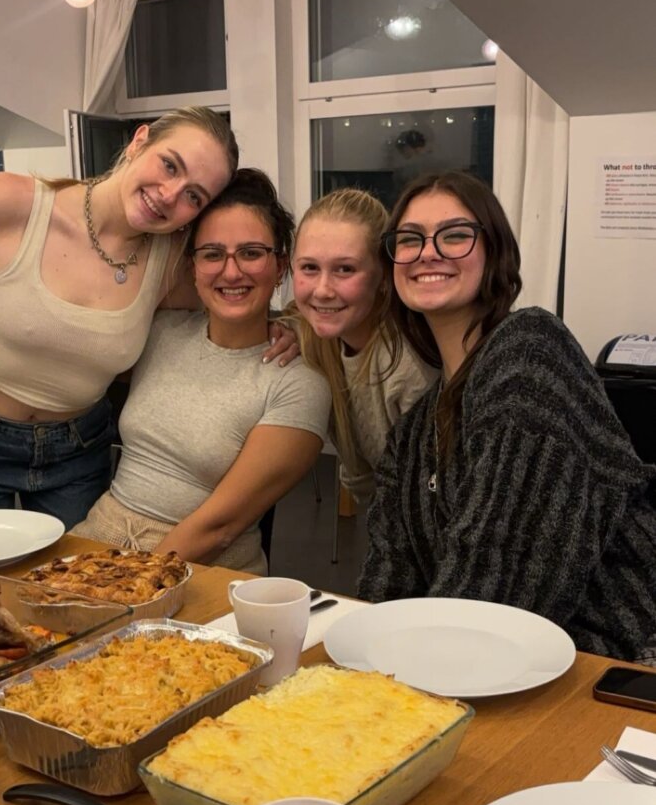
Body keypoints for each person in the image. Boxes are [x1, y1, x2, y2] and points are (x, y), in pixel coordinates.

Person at [0, 108, 245, 527]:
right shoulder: (14, 201)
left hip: (76, 453)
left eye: (194, 196)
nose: (169, 194)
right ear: (139, 140)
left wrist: (287, 330)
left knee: (73, 590)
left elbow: (241, 295)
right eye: (169, 165)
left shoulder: (171, 264)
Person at [359, 170, 656, 661]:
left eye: (455, 235)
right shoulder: (414, 430)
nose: (428, 252)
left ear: (494, 252)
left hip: (619, 668)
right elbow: (387, 575)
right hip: (506, 661)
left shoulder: (530, 351)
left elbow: (502, 576)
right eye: (409, 239)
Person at [71, 169, 332, 574]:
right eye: (212, 254)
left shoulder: (298, 383)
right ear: (192, 267)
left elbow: (220, 528)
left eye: (250, 253)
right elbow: (69, 338)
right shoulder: (160, 332)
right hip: (96, 540)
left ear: (280, 266)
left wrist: (125, 584)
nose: (231, 272)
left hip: (201, 569)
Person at [291, 188, 436, 504]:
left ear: (383, 276)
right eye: (309, 268)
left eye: (345, 269)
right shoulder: (315, 338)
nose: (323, 290)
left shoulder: (407, 368)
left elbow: (431, 503)